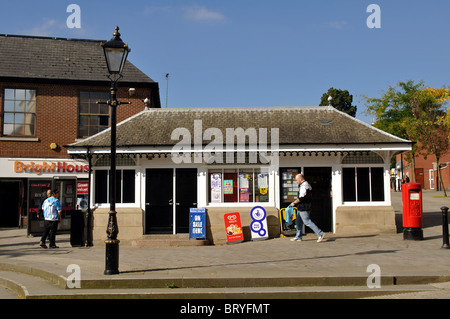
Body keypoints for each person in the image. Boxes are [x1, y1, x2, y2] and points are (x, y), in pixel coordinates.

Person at [290, 174, 325, 242]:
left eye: (297, 180)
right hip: (301, 207)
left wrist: (294, 203)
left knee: (307, 222)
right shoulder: (304, 185)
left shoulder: (304, 186)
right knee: (298, 222)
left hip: (304, 207)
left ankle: (320, 233)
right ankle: (298, 236)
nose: (296, 181)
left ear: (301, 179)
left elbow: (302, 198)